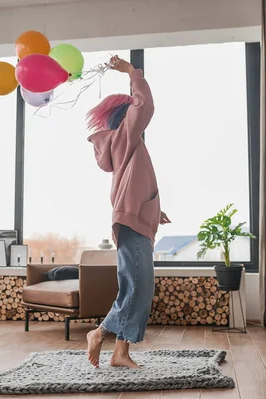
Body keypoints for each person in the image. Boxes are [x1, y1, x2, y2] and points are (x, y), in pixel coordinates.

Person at [85, 55, 171, 368]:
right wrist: (133, 73)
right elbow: (144, 105)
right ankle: (100, 332)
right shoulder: (125, 136)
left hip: (135, 219)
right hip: (132, 222)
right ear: (125, 116)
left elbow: (137, 182)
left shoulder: (127, 145)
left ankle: (121, 353)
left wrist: (155, 209)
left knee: (136, 285)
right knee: (139, 285)